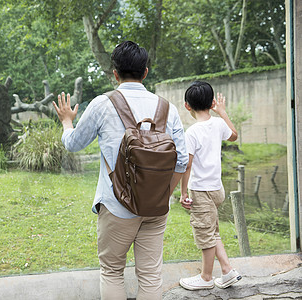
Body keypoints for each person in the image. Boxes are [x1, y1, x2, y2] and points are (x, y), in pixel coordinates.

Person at [53, 41, 188, 300]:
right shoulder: (167, 108)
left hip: (117, 206)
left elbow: (73, 144)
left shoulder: (102, 104)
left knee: (112, 271)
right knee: (150, 275)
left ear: (115, 74)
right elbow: (181, 161)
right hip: (156, 210)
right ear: (146, 72)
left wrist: (67, 121)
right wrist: (162, 195)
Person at [178, 81, 242, 290]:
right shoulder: (218, 124)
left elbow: (186, 166)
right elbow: (234, 135)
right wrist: (222, 112)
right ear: (212, 102)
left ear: (187, 106)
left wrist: (183, 192)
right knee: (212, 231)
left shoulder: (192, 132)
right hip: (217, 189)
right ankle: (227, 271)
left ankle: (206, 278)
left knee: (204, 234)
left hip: (201, 190)